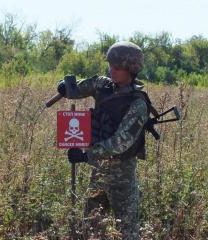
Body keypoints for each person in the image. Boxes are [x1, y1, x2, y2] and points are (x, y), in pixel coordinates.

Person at [57, 41, 149, 240]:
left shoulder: (138, 103)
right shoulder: (103, 85)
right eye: (110, 65)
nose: (112, 70)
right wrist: (66, 87)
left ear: (131, 69)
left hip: (122, 178)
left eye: (117, 67)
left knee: (128, 232)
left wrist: (85, 155)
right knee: (89, 228)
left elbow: (120, 143)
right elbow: (78, 89)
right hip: (98, 172)